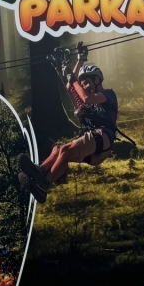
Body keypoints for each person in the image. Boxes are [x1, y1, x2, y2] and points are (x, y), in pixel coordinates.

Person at [19, 57, 118, 203]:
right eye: (82, 82)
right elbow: (71, 87)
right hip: (94, 145)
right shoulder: (89, 100)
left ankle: (43, 186)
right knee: (58, 149)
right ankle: (41, 171)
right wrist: (79, 62)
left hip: (103, 138)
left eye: (86, 81)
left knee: (65, 150)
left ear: (97, 80)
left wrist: (73, 78)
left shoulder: (108, 94)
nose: (83, 85)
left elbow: (86, 98)